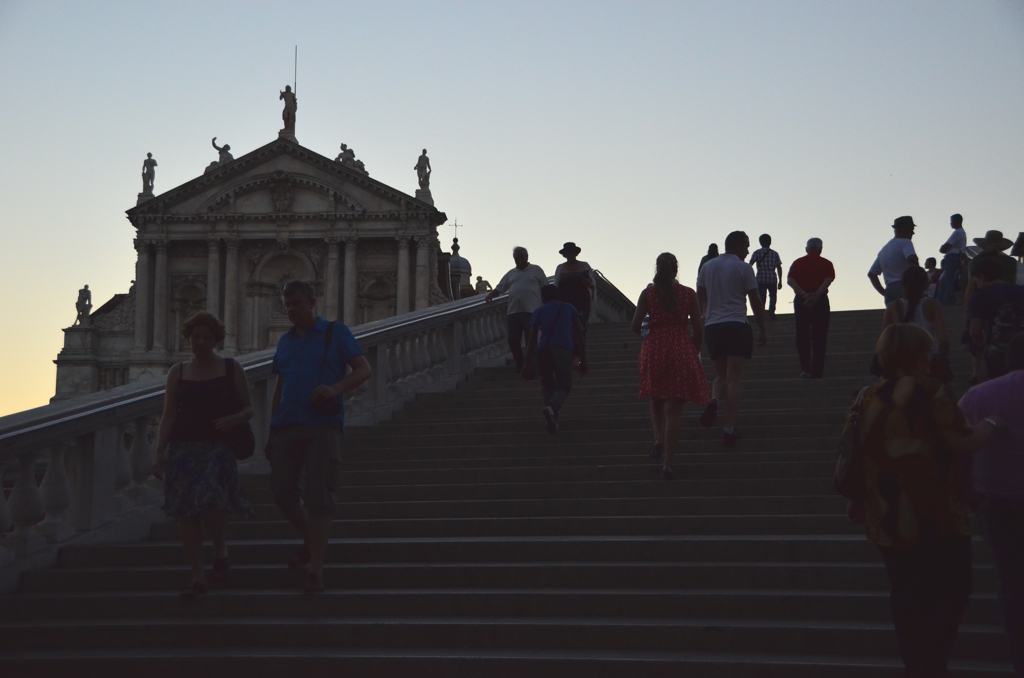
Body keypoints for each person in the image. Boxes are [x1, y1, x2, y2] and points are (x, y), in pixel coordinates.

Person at [854, 323, 1004, 677]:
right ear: (919, 354)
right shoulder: (931, 390)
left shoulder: (867, 395)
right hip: (935, 512)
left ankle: (916, 666)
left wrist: (857, 497)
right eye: (927, 352)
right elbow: (964, 442)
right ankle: (931, 664)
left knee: (906, 594)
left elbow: (858, 451)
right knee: (953, 590)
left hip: (887, 514)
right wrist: (993, 424)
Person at [265, 280, 371, 594]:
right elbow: (280, 387)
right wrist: (272, 430)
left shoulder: (335, 332)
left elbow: (363, 369)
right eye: (287, 305)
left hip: (321, 425)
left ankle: (315, 570)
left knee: (318, 497)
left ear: (312, 303)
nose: (291, 310)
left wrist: (335, 388)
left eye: (296, 303)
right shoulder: (285, 342)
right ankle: (312, 542)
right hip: (287, 425)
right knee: (281, 492)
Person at [152, 311, 254, 599]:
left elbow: (249, 407)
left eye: (206, 338)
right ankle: (198, 575)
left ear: (216, 340)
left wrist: (234, 420)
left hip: (217, 447)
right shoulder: (178, 372)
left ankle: (219, 546)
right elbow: (169, 414)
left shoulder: (232, 369)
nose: (200, 342)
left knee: (211, 502)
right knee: (186, 513)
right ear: (188, 339)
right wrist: (159, 452)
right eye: (195, 337)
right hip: (183, 447)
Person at [958, 334, 1024, 676]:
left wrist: (969, 495)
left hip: (997, 504)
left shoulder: (978, 395)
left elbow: (955, 450)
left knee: (1012, 584)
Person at [631, 253, 710, 480]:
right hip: (680, 348)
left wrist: (651, 331)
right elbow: (698, 328)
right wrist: (692, 351)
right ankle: (668, 462)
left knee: (656, 398)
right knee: (674, 410)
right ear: (676, 269)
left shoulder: (648, 294)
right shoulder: (688, 294)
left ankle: (657, 437)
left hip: (654, 348)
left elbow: (635, 326)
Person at [696, 231, 767, 445]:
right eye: (746, 246)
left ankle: (715, 400)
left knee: (722, 375)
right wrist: (763, 328)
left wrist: (699, 326)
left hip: (713, 327)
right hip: (736, 324)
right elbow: (755, 300)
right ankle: (729, 427)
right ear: (737, 245)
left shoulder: (707, 267)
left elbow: (699, 300)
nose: (747, 251)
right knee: (734, 379)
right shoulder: (743, 268)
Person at [522, 284, 587, 434]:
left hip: (543, 350)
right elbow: (580, 335)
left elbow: (531, 340)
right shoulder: (569, 308)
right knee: (564, 384)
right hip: (563, 350)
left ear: (543, 297)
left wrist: (526, 363)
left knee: (547, 384)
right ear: (557, 295)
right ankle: (553, 407)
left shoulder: (539, 311)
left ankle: (552, 418)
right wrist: (584, 359)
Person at [485, 247, 547, 373]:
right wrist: (490, 295)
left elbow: (546, 287)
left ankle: (532, 367)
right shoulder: (511, 273)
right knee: (513, 340)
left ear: (527, 257)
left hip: (532, 311)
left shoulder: (536, 270)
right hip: (513, 312)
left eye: (521, 258)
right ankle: (521, 364)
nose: (519, 261)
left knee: (531, 341)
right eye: (516, 258)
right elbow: (500, 288)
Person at [967, 255, 1024, 381]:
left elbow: (975, 332)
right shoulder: (1021, 290)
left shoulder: (980, 296)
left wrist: (981, 343)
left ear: (982, 277)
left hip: (998, 356)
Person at [786, 238, 835, 378]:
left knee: (802, 334)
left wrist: (803, 294)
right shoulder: (826, 263)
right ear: (820, 249)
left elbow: (790, 280)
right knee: (820, 336)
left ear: (807, 249)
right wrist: (816, 296)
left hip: (801, 300)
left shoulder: (797, 263)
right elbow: (828, 280)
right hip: (820, 300)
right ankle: (817, 370)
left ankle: (805, 368)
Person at [882, 266, 950, 358]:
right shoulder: (933, 304)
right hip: (927, 359)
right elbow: (943, 339)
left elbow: (884, 340)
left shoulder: (892, 307)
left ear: (903, 285)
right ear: (926, 284)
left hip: (902, 361)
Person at [553, 242, 594, 364]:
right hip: (565, 303)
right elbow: (556, 285)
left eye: (572, 252)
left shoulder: (584, 266)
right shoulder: (560, 268)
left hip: (582, 303)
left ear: (575, 253)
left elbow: (593, 285)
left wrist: (588, 284)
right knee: (567, 329)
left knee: (580, 329)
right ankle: (570, 355)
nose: (570, 255)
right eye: (567, 253)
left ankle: (578, 357)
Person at [869, 216, 920, 306]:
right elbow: (912, 259)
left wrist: (885, 293)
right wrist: (918, 281)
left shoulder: (884, 250)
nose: (913, 233)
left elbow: (872, 274)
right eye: (911, 229)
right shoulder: (905, 243)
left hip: (890, 290)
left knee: (895, 318)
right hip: (905, 287)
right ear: (903, 229)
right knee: (911, 316)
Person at [748, 234, 783, 318]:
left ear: (760, 242)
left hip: (760, 278)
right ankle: (771, 311)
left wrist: (750, 277)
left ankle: (762, 312)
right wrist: (780, 280)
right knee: (773, 296)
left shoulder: (757, 252)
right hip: (772, 278)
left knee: (761, 297)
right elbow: (779, 267)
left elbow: (750, 265)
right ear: (770, 242)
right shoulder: (775, 254)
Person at [936, 214, 966, 305]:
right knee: (944, 282)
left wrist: (942, 248)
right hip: (955, 257)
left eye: (951, 221)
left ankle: (947, 303)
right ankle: (940, 302)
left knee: (948, 281)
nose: (950, 223)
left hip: (952, 257)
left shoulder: (957, 232)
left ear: (957, 221)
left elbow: (944, 248)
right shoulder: (961, 232)